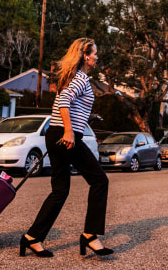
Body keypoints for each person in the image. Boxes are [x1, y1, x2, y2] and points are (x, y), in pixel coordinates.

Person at [21, 38, 113, 258]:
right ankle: (90, 235)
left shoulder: (73, 77)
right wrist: (70, 132)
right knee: (100, 181)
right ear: (85, 55)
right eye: (95, 53)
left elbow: (69, 104)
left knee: (60, 190)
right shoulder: (80, 78)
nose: (97, 57)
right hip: (65, 136)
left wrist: (86, 117)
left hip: (56, 134)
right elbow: (63, 102)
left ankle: (32, 238)